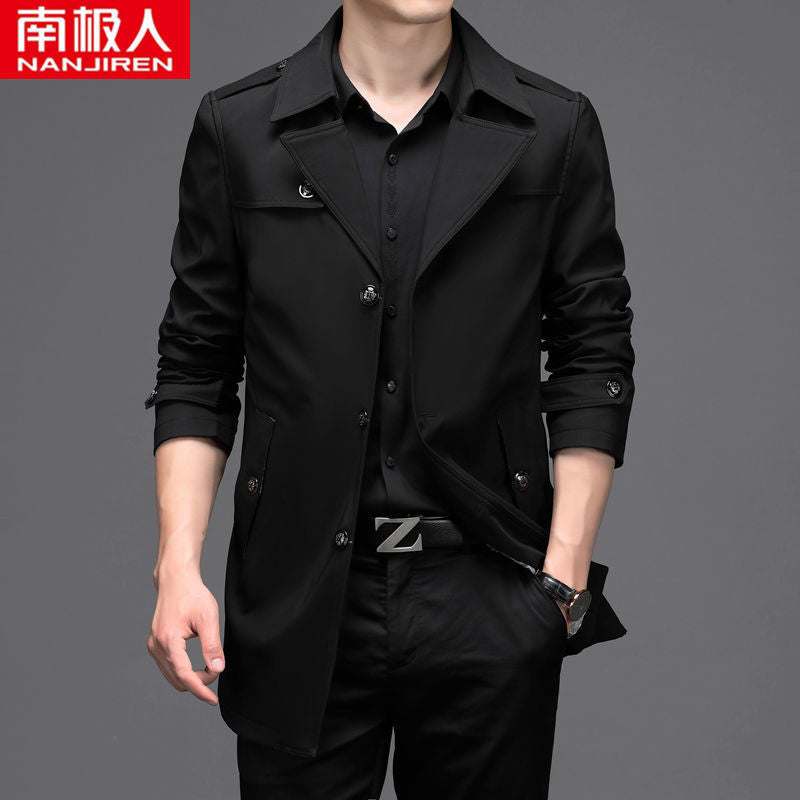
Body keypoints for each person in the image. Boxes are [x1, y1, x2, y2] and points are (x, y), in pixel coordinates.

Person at [145, 2, 635, 798]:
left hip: (488, 590)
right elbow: (197, 363)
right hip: (300, 597)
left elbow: (594, 353)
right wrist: (177, 564)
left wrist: (562, 580)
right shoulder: (241, 128)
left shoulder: (553, 128)